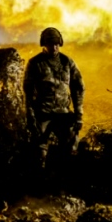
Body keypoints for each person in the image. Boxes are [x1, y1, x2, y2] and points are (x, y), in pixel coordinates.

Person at [23, 27, 86, 169]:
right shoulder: (35, 63)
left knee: (71, 149)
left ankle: (60, 184)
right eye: (50, 43)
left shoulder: (67, 62)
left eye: (57, 43)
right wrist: (30, 115)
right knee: (39, 153)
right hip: (42, 115)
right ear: (43, 44)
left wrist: (79, 114)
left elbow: (78, 88)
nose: (54, 47)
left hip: (63, 114)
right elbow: (28, 92)